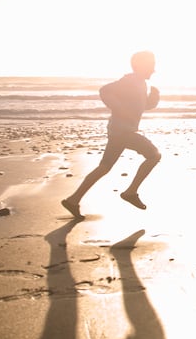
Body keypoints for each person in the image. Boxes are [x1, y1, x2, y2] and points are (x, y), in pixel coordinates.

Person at [61, 51, 161, 219]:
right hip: (124, 132)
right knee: (154, 155)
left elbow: (141, 106)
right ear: (140, 66)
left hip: (118, 131)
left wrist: (153, 98)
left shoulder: (140, 84)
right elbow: (105, 90)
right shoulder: (130, 81)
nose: (154, 70)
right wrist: (118, 108)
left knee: (104, 167)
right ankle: (130, 192)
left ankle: (73, 200)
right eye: (151, 66)